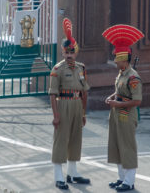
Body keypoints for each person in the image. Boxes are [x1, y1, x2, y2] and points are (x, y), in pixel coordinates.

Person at [49, 18, 91, 190]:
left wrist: (83, 113)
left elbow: (84, 92)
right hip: (64, 104)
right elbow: (52, 94)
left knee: (75, 139)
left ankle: (72, 173)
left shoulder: (81, 68)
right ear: (62, 52)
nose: (69, 55)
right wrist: (56, 115)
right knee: (61, 140)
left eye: (72, 52)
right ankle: (59, 176)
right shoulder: (57, 69)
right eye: (66, 52)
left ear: (76, 52)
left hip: (76, 105)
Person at [102, 24, 144, 192]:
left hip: (126, 114)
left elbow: (137, 101)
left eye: (116, 58)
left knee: (127, 146)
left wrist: (118, 104)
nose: (114, 60)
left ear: (123, 59)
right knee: (117, 145)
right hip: (117, 113)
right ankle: (121, 178)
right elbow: (119, 91)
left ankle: (129, 180)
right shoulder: (121, 74)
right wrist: (112, 97)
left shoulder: (133, 77)